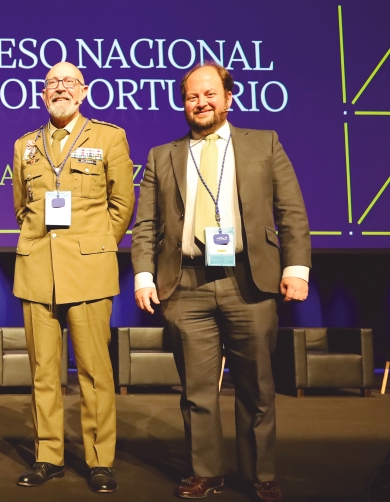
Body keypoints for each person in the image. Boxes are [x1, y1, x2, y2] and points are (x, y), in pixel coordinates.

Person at [131, 62, 310, 501]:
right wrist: (143, 275)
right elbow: (146, 223)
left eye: (210, 94)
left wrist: (296, 268)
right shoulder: (162, 155)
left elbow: (291, 211)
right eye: (192, 96)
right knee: (196, 390)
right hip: (185, 285)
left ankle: (260, 474)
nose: (201, 103)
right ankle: (206, 471)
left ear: (228, 98)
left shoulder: (264, 144)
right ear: (183, 103)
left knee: (257, 387)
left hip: (248, 281)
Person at [11, 62, 134, 493]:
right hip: (37, 271)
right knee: (44, 372)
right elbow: (21, 207)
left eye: (68, 83)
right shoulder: (25, 145)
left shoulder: (109, 137)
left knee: (95, 373)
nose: (60, 88)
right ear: (43, 95)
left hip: (89, 272)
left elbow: (122, 204)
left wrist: (97, 244)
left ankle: (100, 460)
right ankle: (48, 456)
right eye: (52, 84)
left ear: (83, 92)